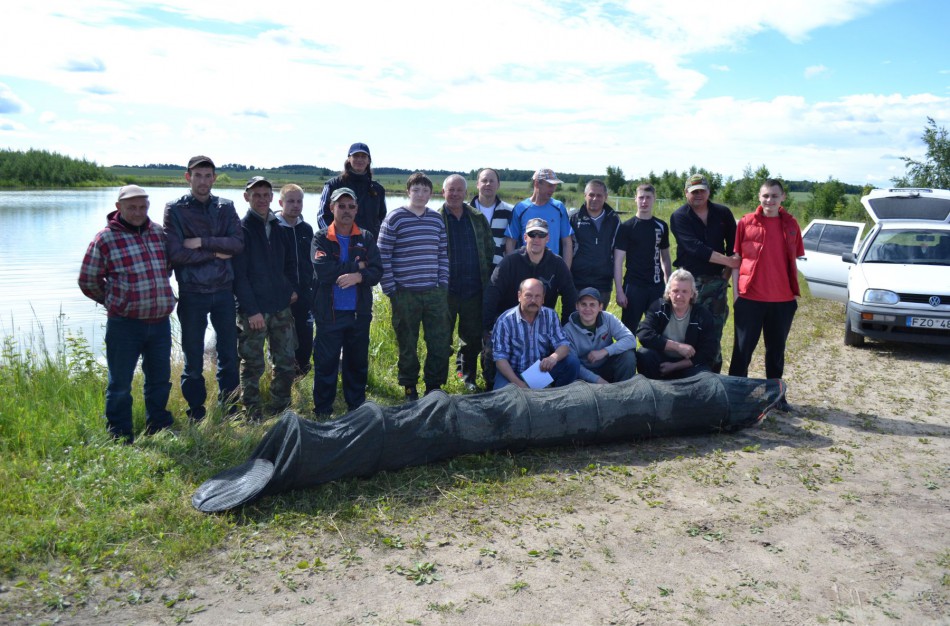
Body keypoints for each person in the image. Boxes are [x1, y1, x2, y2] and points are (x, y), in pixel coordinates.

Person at [79, 185, 177, 443]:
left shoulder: (158, 233)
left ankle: (159, 427)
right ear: (118, 207)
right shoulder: (105, 239)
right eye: (131, 207)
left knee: (159, 380)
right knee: (120, 384)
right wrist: (114, 301)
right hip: (124, 325)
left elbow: (166, 269)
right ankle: (120, 436)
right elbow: (88, 280)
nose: (138, 212)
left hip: (160, 324)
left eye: (142, 207)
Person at [164, 155, 244, 421]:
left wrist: (200, 242)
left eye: (207, 176)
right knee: (193, 357)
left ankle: (230, 409)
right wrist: (216, 252)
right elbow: (176, 253)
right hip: (192, 292)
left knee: (229, 355)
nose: (203, 181)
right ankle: (196, 413)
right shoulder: (175, 209)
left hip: (223, 291)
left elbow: (237, 244)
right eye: (197, 175)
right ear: (188, 177)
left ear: (214, 178)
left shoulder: (226, 207)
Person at [378, 172, 451, 400]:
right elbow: (382, 254)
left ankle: (434, 386)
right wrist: (391, 289)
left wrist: (443, 283)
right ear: (408, 191)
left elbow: (442, 253)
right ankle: (409, 387)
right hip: (405, 293)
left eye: (425, 190)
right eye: (416, 190)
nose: (420, 194)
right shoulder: (395, 218)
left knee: (439, 341)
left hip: (434, 292)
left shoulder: (436, 219)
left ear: (431, 194)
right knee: (407, 344)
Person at [311, 187, 383, 416]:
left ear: (356, 209)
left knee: (357, 364)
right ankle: (323, 411)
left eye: (351, 206)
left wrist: (359, 277)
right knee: (326, 364)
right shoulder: (321, 237)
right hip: (329, 313)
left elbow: (377, 270)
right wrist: (357, 266)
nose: (346, 211)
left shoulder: (366, 237)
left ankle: (356, 408)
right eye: (341, 206)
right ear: (331, 208)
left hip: (358, 314)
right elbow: (323, 271)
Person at [481, 217, 577, 390]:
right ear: (525, 237)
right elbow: (492, 293)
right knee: (494, 358)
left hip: (541, 323)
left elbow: (570, 296)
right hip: (509, 326)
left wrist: (563, 326)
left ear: (548, 238)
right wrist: (489, 327)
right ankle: (493, 382)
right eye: (532, 235)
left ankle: (553, 392)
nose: (536, 239)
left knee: (571, 362)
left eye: (541, 235)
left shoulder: (557, 264)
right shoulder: (509, 262)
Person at [728, 180, 804, 393]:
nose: (770, 200)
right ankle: (735, 395)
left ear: (783, 197)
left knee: (776, 352)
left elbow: (793, 260)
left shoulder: (791, 225)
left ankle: (775, 396)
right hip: (749, 299)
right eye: (766, 196)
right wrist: (736, 295)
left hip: (783, 301)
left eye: (774, 196)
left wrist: (792, 294)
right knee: (742, 351)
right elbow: (736, 260)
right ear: (759, 197)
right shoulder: (746, 222)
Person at [232, 177, 298, 420]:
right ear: (246, 197)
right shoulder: (241, 229)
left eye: (265, 195)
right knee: (252, 364)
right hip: (254, 311)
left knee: (286, 361)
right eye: (256, 195)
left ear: (272, 197)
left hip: (280, 307)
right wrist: (251, 311)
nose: (261, 199)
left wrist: (290, 289)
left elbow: (289, 264)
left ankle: (280, 406)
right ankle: (252, 411)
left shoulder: (279, 228)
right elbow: (239, 276)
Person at [669, 174, 739, 373]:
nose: (698, 195)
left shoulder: (723, 213)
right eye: (694, 192)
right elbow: (694, 248)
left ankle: (712, 375)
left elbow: (734, 246)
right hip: (688, 283)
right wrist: (729, 262)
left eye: (702, 190)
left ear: (708, 192)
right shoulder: (679, 216)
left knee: (714, 332)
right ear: (686, 193)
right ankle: (686, 375)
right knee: (687, 330)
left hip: (717, 282)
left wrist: (725, 276)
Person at [439, 174, 495, 391]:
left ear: (466, 192)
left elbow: (489, 249)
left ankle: (467, 377)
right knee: (441, 338)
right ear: (443, 192)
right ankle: (437, 382)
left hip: (473, 289)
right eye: (450, 190)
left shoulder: (477, 218)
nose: (454, 194)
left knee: (471, 339)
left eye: (459, 190)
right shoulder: (435, 219)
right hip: (445, 291)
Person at [492, 278, 580, 389]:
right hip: (513, 373)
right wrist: (519, 384)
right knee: (502, 396)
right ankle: (532, 390)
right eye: (528, 296)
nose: (533, 300)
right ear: (519, 296)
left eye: (538, 296)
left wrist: (553, 358)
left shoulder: (550, 316)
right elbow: (500, 359)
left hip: (540, 371)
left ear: (543, 299)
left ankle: (557, 394)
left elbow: (564, 345)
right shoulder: (505, 320)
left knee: (572, 362)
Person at [635, 269, 718, 380]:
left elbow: (709, 351)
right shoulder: (659, 307)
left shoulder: (702, 314)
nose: (679, 296)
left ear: (692, 293)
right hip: (661, 363)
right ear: (669, 292)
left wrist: (674, 366)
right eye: (675, 291)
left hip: (687, 365)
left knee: (705, 375)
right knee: (644, 354)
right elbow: (643, 333)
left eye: (684, 291)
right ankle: (652, 388)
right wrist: (677, 347)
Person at [614, 183, 672, 332]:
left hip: (657, 286)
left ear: (654, 199)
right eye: (641, 198)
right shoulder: (626, 227)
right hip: (634, 286)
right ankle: (628, 349)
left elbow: (665, 258)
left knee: (658, 329)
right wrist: (619, 291)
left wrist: (669, 285)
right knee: (628, 330)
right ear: (635, 199)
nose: (644, 201)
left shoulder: (661, 226)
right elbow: (618, 261)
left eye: (648, 197)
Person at [276, 183, 314, 376]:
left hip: (305, 295)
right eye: (290, 201)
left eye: (299, 201)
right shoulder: (273, 228)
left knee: (306, 341)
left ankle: (302, 380)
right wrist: (286, 289)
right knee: (282, 344)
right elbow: (272, 266)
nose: (295, 205)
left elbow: (311, 262)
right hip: (282, 297)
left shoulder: (306, 229)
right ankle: (281, 383)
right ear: (281, 202)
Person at [563, 287, 637, 384]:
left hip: (607, 366)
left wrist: (605, 351)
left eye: (592, 304)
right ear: (577, 306)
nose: (587, 309)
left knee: (628, 356)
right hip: (583, 374)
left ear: (600, 307)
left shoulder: (608, 318)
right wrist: (597, 380)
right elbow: (572, 364)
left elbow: (631, 339)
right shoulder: (567, 330)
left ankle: (624, 390)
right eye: (583, 304)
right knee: (571, 364)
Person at [504, 168, 574, 266]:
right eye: (550, 185)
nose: (553, 189)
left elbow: (567, 242)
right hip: (525, 267)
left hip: (552, 268)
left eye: (555, 185)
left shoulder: (559, 207)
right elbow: (511, 241)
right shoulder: (520, 208)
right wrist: (512, 268)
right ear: (537, 183)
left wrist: (565, 271)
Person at [317, 142, 387, 236]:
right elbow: (322, 216)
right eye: (356, 156)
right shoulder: (333, 185)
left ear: (368, 160)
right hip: (339, 242)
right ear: (349, 159)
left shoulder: (378, 189)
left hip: (369, 243)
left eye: (363, 156)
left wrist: (372, 239)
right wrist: (333, 237)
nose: (359, 159)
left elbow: (382, 218)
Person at [570, 179, 620, 302]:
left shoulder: (614, 220)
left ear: (605, 197)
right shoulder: (573, 218)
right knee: (573, 314)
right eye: (591, 195)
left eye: (599, 195)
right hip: (576, 282)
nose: (594, 198)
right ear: (585, 195)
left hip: (603, 283)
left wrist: (619, 288)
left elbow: (617, 254)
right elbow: (566, 248)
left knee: (598, 314)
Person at [470, 167, 513, 270]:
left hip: (499, 269)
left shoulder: (510, 211)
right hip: (472, 268)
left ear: (498, 185)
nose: (488, 184)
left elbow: (511, 243)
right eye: (484, 180)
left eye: (492, 181)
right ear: (477, 184)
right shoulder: (466, 210)